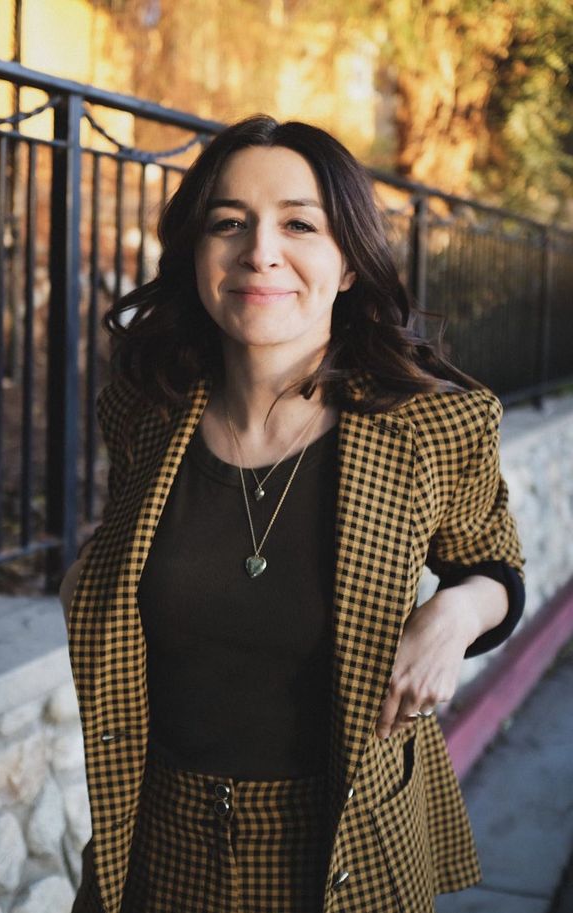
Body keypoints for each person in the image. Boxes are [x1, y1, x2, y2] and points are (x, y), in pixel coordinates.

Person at [60, 114, 525, 913]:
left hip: (344, 850)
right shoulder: (145, 410)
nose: (260, 251)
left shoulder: (432, 426)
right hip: (157, 846)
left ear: (348, 264)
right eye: (228, 223)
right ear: (196, 254)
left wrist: (453, 614)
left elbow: (495, 569)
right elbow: (131, 560)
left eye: (299, 223)